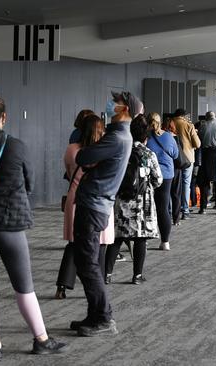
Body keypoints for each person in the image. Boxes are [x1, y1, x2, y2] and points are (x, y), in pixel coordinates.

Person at [0, 93, 68, 360]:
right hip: (10, 224)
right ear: (4, 117)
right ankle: (41, 338)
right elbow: (29, 182)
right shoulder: (15, 146)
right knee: (23, 286)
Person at [71, 91, 139, 336]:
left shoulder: (117, 138)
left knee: (87, 263)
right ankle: (95, 314)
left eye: (116, 103)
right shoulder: (118, 136)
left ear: (125, 110)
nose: (111, 104)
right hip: (96, 203)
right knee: (84, 261)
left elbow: (82, 155)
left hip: (93, 205)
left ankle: (103, 316)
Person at [56, 115, 114, 299]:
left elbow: (68, 171)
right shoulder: (103, 151)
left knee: (74, 243)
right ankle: (101, 284)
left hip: (75, 195)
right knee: (102, 243)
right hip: (99, 199)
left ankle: (62, 286)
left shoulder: (72, 149)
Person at [105, 114, 162, 284]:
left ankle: (106, 274)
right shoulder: (148, 154)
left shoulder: (122, 152)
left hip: (122, 200)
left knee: (117, 238)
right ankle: (137, 275)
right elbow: (158, 179)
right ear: (146, 136)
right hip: (142, 202)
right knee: (140, 238)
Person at [146, 112, 179, 250]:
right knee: (163, 208)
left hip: (148, 175)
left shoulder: (145, 137)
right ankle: (165, 242)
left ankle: (144, 239)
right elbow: (176, 154)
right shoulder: (168, 137)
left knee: (147, 207)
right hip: (166, 175)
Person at [173, 108, 201, 220]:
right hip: (187, 158)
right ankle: (185, 210)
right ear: (183, 116)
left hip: (173, 158)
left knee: (174, 184)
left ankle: (174, 209)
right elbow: (197, 144)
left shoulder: (170, 123)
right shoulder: (188, 125)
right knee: (185, 184)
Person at [162, 117, 185, 224]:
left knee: (165, 194)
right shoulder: (176, 138)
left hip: (164, 168)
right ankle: (176, 219)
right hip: (176, 168)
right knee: (176, 194)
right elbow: (180, 152)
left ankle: (166, 214)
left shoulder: (160, 137)